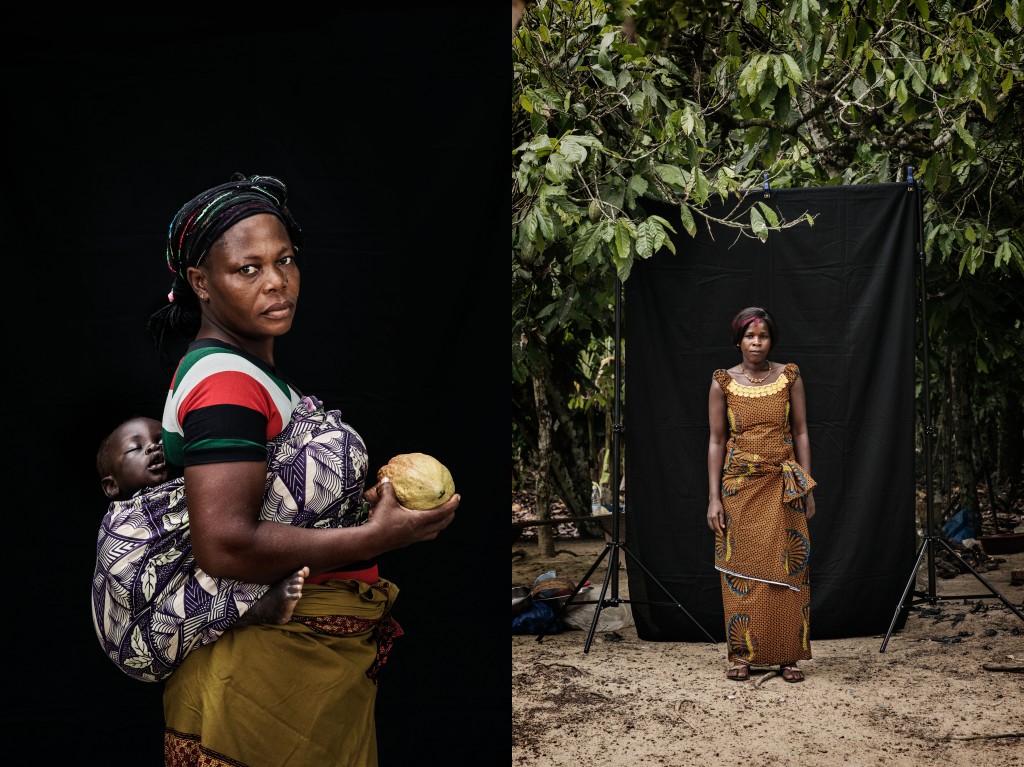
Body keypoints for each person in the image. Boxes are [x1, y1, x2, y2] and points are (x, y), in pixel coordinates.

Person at [144, 172, 459, 766]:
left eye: (285, 260)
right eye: (249, 268)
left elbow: (276, 505)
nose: (277, 282)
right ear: (200, 283)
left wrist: (361, 505)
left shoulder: (247, 374)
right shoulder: (226, 384)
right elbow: (226, 545)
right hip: (264, 675)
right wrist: (376, 536)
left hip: (294, 670)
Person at [91, 415, 311, 683]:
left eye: (162, 440)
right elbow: (119, 571)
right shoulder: (121, 524)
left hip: (190, 590)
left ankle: (248, 610)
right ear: (111, 485)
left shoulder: (198, 488)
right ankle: (255, 608)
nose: (153, 447)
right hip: (139, 643)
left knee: (231, 553)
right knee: (172, 614)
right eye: (135, 448)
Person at [706, 306, 817, 684]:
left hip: (783, 486)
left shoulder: (789, 377)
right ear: (738, 340)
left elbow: (801, 432)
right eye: (750, 336)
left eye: (764, 336)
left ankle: (789, 657)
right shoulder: (723, 382)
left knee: (786, 570)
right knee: (743, 574)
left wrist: (806, 484)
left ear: (772, 340)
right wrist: (713, 498)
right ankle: (743, 655)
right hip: (739, 487)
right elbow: (717, 439)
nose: (757, 342)